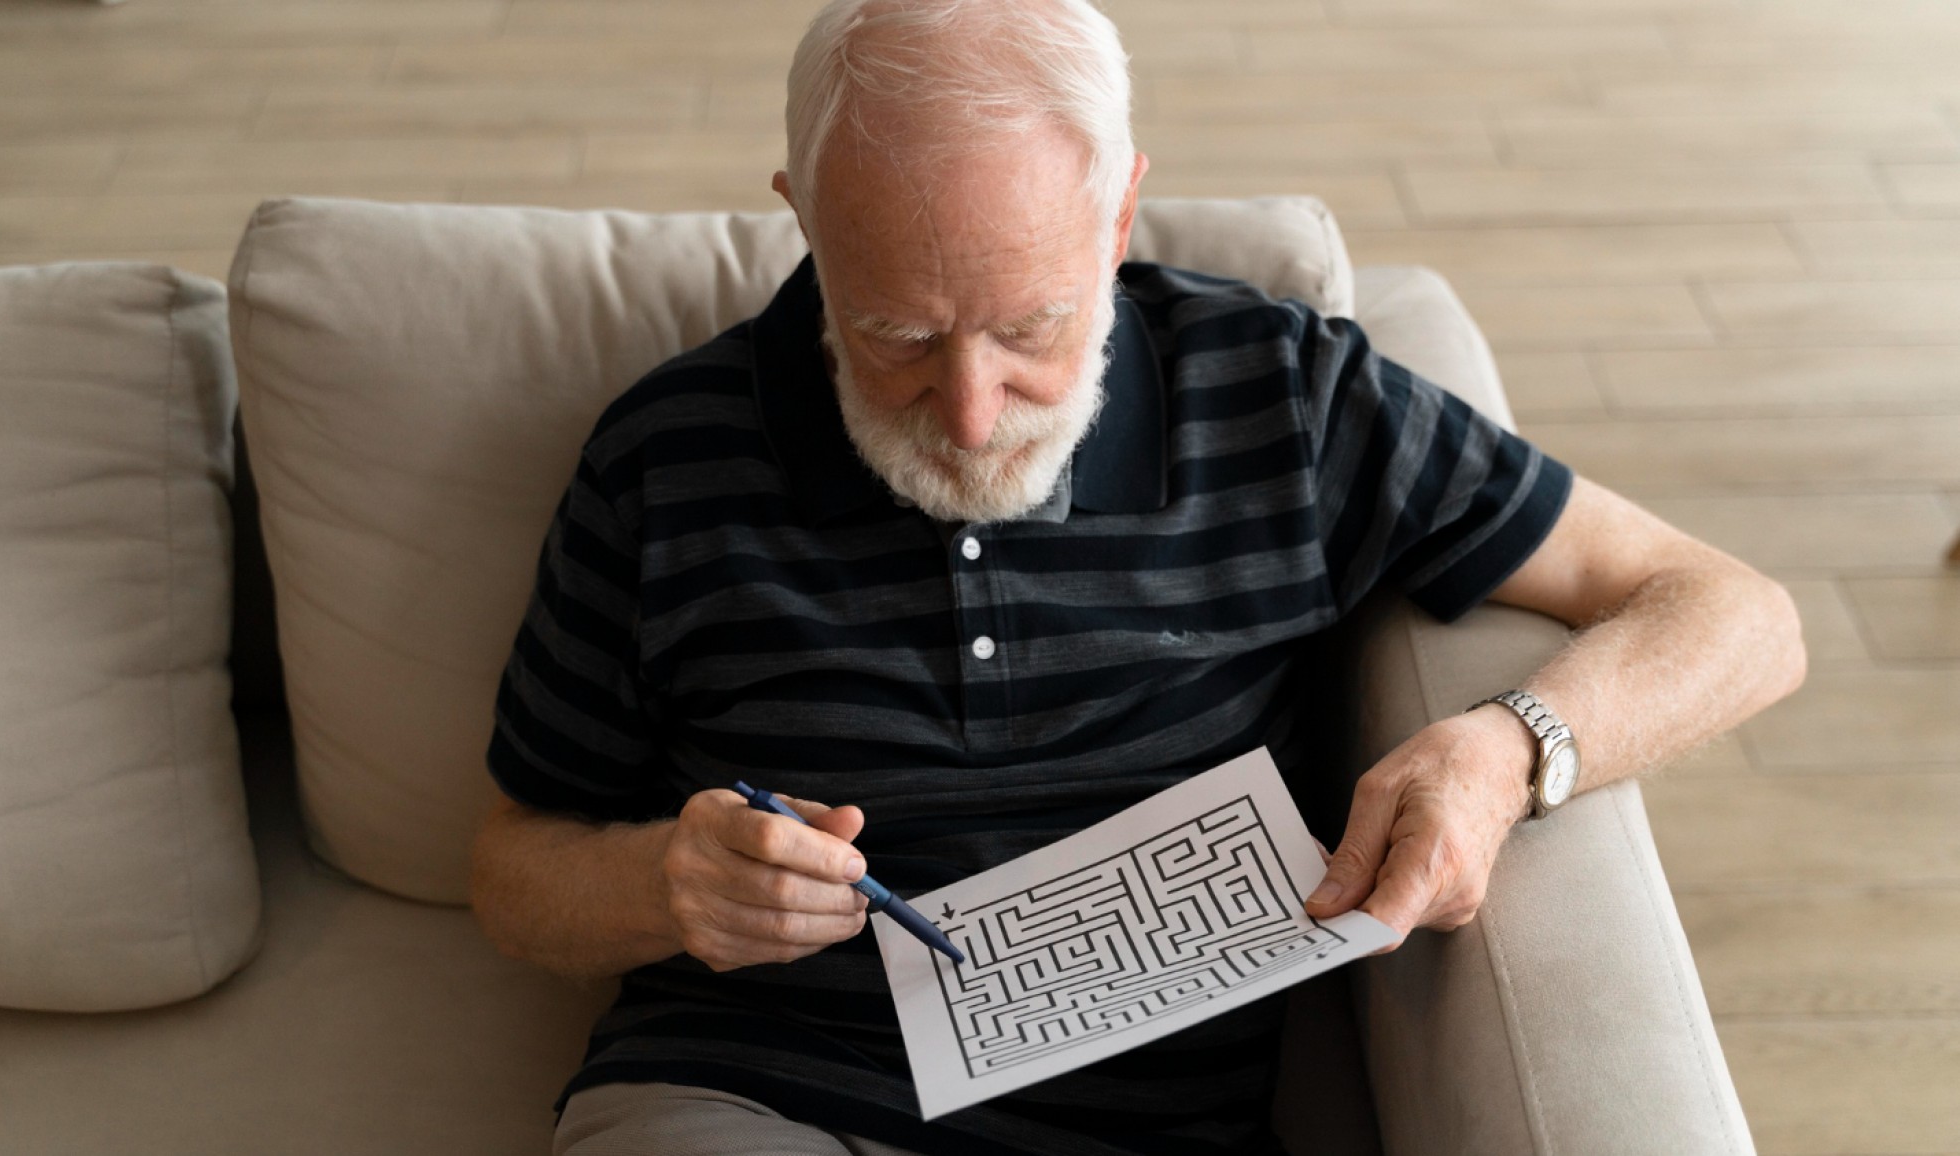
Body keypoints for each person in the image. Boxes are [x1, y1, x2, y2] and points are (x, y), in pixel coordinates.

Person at [469, 1, 1808, 1154]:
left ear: (1117, 216)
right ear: (802, 218)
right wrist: (665, 885)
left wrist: (1508, 753)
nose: (973, 412)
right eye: (894, 334)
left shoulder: (1279, 397)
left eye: (1029, 328)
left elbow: (1733, 613)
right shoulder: (666, 455)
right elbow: (512, 865)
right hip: (748, 1095)